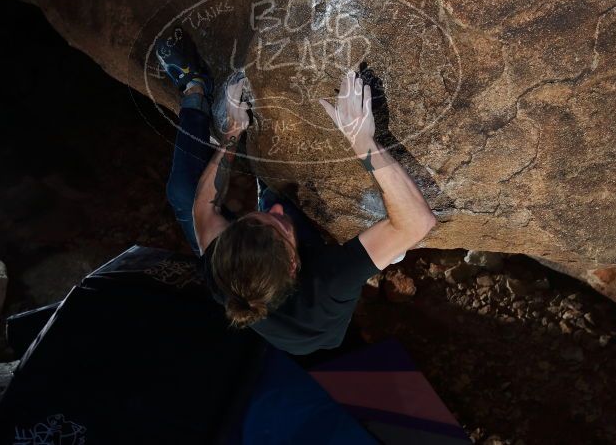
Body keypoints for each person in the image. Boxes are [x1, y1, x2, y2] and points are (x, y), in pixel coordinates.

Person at [160, 29, 436, 355]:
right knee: (279, 199)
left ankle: (196, 89)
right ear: (293, 263)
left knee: (181, 191)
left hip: (265, 289)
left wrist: (233, 134)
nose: (274, 216)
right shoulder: (328, 284)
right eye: (279, 227)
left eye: (255, 219)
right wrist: (364, 145)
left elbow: (203, 207)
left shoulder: (224, 270)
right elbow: (415, 222)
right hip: (319, 337)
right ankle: (274, 195)